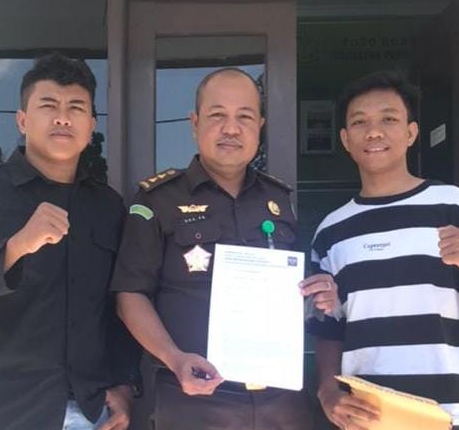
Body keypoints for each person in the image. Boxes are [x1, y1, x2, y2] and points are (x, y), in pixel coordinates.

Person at [0, 53, 141, 430]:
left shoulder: (107, 206)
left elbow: (118, 307)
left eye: (76, 107)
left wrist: (124, 387)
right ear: (22, 120)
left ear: (91, 126)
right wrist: (15, 247)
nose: (63, 117)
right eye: (48, 105)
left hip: (86, 414)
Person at [110, 68, 335, 430]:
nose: (231, 128)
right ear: (194, 123)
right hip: (194, 402)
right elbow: (130, 295)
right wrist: (174, 358)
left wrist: (319, 296)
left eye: (244, 117)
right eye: (217, 115)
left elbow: (295, 294)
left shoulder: (280, 200)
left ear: (260, 126)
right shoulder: (158, 200)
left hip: (281, 404)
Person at [308, 71, 459, 430]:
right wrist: (327, 392)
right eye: (360, 122)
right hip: (368, 418)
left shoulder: (455, 207)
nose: (374, 132)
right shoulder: (331, 231)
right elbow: (328, 327)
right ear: (346, 139)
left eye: (388, 119)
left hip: (449, 416)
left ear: (411, 133)